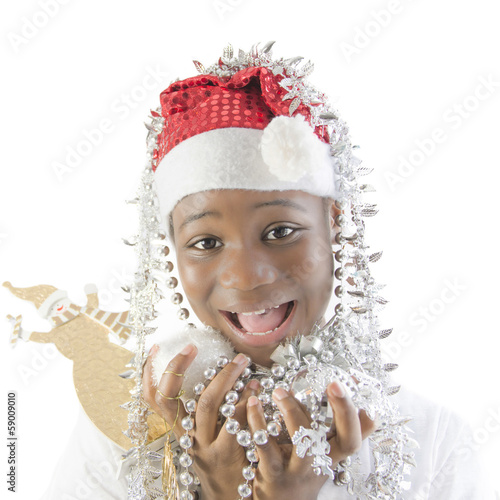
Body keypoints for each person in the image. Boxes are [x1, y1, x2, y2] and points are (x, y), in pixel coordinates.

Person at [41, 43, 494, 500]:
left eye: (280, 231)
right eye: (206, 243)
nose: (246, 276)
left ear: (332, 223)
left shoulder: (433, 444)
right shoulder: (119, 433)